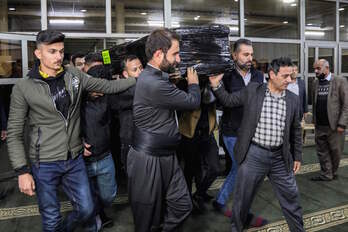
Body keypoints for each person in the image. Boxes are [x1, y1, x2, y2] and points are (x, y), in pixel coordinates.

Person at [6, 30, 136, 231]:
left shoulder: (73, 75)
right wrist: (22, 171)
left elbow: (105, 86)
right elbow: (13, 132)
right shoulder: (24, 87)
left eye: (61, 51)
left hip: (73, 159)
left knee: (86, 209)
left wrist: (139, 79)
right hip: (44, 163)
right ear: (38, 54)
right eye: (52, 51)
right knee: (50, 218)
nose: (58, 57)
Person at [209, 57, 304, 232]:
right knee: (242, 199)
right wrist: (216, 85)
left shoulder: (292, 99)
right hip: (254, 155)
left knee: (292, 199)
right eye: (285, 76)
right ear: (272, 74)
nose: (289, 80)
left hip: (280, 158)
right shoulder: (253, 90)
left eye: (291, 76)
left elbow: (296, 130)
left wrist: (297, 155)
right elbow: (229, 101)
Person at [127, 28, 201, 232]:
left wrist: (171, 82)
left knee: (182, 205)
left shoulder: (157, 77)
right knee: (147, 219)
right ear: (159, 54)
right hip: (148, 159)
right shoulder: (153, 82)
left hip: (167, 156)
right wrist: (193, 84)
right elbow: (192, 102)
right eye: (175, 54)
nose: (178, 59)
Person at [212, 39, 265, 224]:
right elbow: (223, 101)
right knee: (244, 170)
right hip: (232, 132)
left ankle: (219, 200)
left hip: (252, 132)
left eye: (251, 54)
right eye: (245, 54)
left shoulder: (258, 76)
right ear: (234, 55)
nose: (250, 58)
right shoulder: (225, 76)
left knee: (238, 168)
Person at [81, 52, 117, 230]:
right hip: (82, 161)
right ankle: (95, 218)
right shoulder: (76, 100)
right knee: (86, 201)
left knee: (109, 196)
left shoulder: (108, 98)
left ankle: (99, 211)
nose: (99, 91)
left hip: (105, 156)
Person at [310, 59, 348, 181]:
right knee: (322, 151)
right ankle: (326, 173)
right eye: (314, 69)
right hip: (320, 125)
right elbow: (315, 103)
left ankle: (332, 172)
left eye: (318, 68)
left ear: (327, 68)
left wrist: (342, 123)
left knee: (335, 151)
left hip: (335, 126)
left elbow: (346, 105)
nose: (315, 71)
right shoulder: (315, 83)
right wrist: (314, 120)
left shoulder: (340, 81)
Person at [110, 55, 143, 174]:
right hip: (131, 143)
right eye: (135, 70)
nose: (140, 72)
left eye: (141, 68)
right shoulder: (122, 91)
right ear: (125, 74)